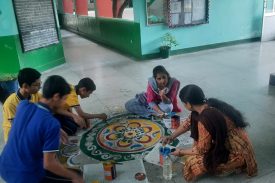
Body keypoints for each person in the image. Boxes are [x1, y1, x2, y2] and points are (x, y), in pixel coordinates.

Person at [162, 84, 257, 181]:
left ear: (189, 104)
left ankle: (234, 166)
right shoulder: (204, 105)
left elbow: (201, 150)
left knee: (192, 162)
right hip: (227, 141)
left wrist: (181, 152)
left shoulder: (205, 118)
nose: (184, 105)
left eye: (184, 103)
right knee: (194, 152)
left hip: (236, 151)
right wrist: (172, 136)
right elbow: (188, 123)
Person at [0, 75, 84, 183]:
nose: (64, 103)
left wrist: (57, 130)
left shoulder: (23, 105)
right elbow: (49, 164)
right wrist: (75, 177)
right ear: (56, 97)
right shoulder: (51, 123)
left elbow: (31, 125)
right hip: (24, 175)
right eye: (64, 99)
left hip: (4, 165)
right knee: (77, 174)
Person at [2, 68, 42, 142]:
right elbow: (18, 128)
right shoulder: (10, 103)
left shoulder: (35, 95)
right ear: (25, 86)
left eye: (40, 84)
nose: (40, 87)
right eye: (36, 85)